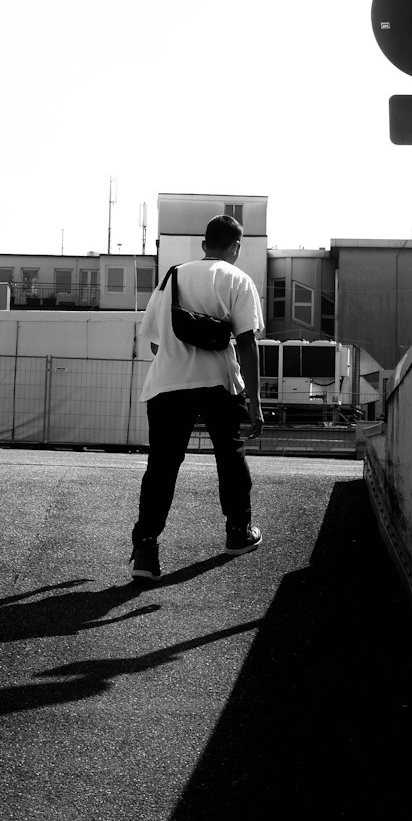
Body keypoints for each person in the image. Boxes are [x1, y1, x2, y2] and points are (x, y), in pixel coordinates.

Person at [129, 214, 265, 581]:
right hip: (219, 383)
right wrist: (254, 401)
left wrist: (180, 359)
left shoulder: (172, 277)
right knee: (229, 455)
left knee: (162, 465)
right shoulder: (238, 279)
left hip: (168, 385)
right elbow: (248, 344)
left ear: (204, 244)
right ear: (236, 246)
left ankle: (145, 550)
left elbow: (156, 342)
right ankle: (238, 532)